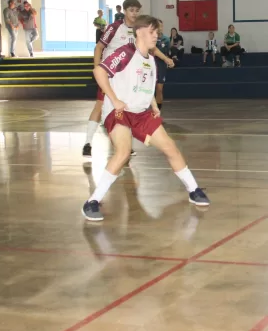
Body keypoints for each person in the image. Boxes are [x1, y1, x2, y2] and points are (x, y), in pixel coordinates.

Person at [82, 14, 210, 221]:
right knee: (123, 152)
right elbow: (99, 72)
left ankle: (194, 190)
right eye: (152, 32)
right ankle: (92, 202)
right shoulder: (125, 52)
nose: (156, 36)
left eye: (157, 32)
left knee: (171, 148)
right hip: (119, 113)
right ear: (139, 32)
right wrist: (114, 99)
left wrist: (153, 106)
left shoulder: (150, 60)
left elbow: (145, 87)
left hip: (141, 114)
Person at [82, 0, 173, 158]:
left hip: (128, 78)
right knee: (100, 105)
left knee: (128, 109)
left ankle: (124, 146)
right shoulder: (115, 27)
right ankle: (88, 143)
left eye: (137, 10)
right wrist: (97, 68)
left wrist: (165, 58)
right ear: (124, 11)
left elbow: (152, 49)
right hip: (111, 75)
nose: (134, 13)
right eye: (131, 10)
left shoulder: (141, 29)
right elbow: (99, 47)